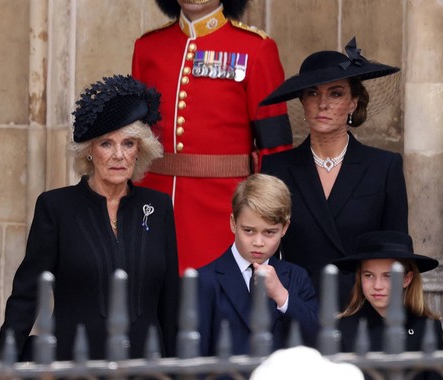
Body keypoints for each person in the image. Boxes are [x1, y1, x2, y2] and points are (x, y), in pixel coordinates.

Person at [0, 75, 179, 361]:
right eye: (107, 144)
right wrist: (4, 362)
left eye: (128, 144)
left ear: (140, 150)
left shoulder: (158, 207)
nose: (118, 155)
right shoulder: (56, 207)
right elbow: (27, 294)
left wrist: (176, 368)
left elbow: (171, 301)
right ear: (90, 152)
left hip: (147, 366)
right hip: (76, 364)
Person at [132, 0, 293, 274]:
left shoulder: (256, 48)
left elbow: (275, 148)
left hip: (223, 210)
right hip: (152, 204)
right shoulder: (148, 47)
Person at [260, 37, 407, 307]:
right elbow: (262, 248)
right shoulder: (276, 168)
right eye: (313, 93)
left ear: (353, 102)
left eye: (336, 93)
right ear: (302, 102)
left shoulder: (384, 167)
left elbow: (396, 255)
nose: (323, 104)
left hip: (362, 309)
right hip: (296, 307)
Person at [197, 174, 318, 356]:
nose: (258, 242)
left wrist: (282, 296)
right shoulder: (205, 280)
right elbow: (195, 357)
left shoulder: (297, 277)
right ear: (233, 223)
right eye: (249, 231)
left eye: (269, 232)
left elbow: (317, 339)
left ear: (284, 228)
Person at [333, 231, 443, 380]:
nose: (377, 285)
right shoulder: (342, 326)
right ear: (359, 277)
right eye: (369, 275)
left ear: (407, 278)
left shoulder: (426, 326)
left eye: (388, 276)